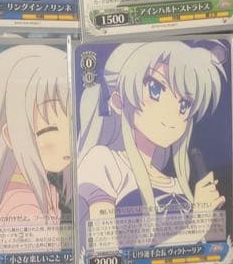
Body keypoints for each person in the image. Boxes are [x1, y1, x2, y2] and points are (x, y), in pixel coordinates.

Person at [77, 41, 226, 251]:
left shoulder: (176, 183)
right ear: (118, 102)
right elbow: (105, 254)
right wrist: (198, 223)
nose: (172, 113)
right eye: (156, 89)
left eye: (184, 105)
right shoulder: (104, 163)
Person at [0, 45, 71, 256]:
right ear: (10, 135)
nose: (68, 141)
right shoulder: (24, 206)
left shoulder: (31, 192)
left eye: (72, 125)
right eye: (49, 129)